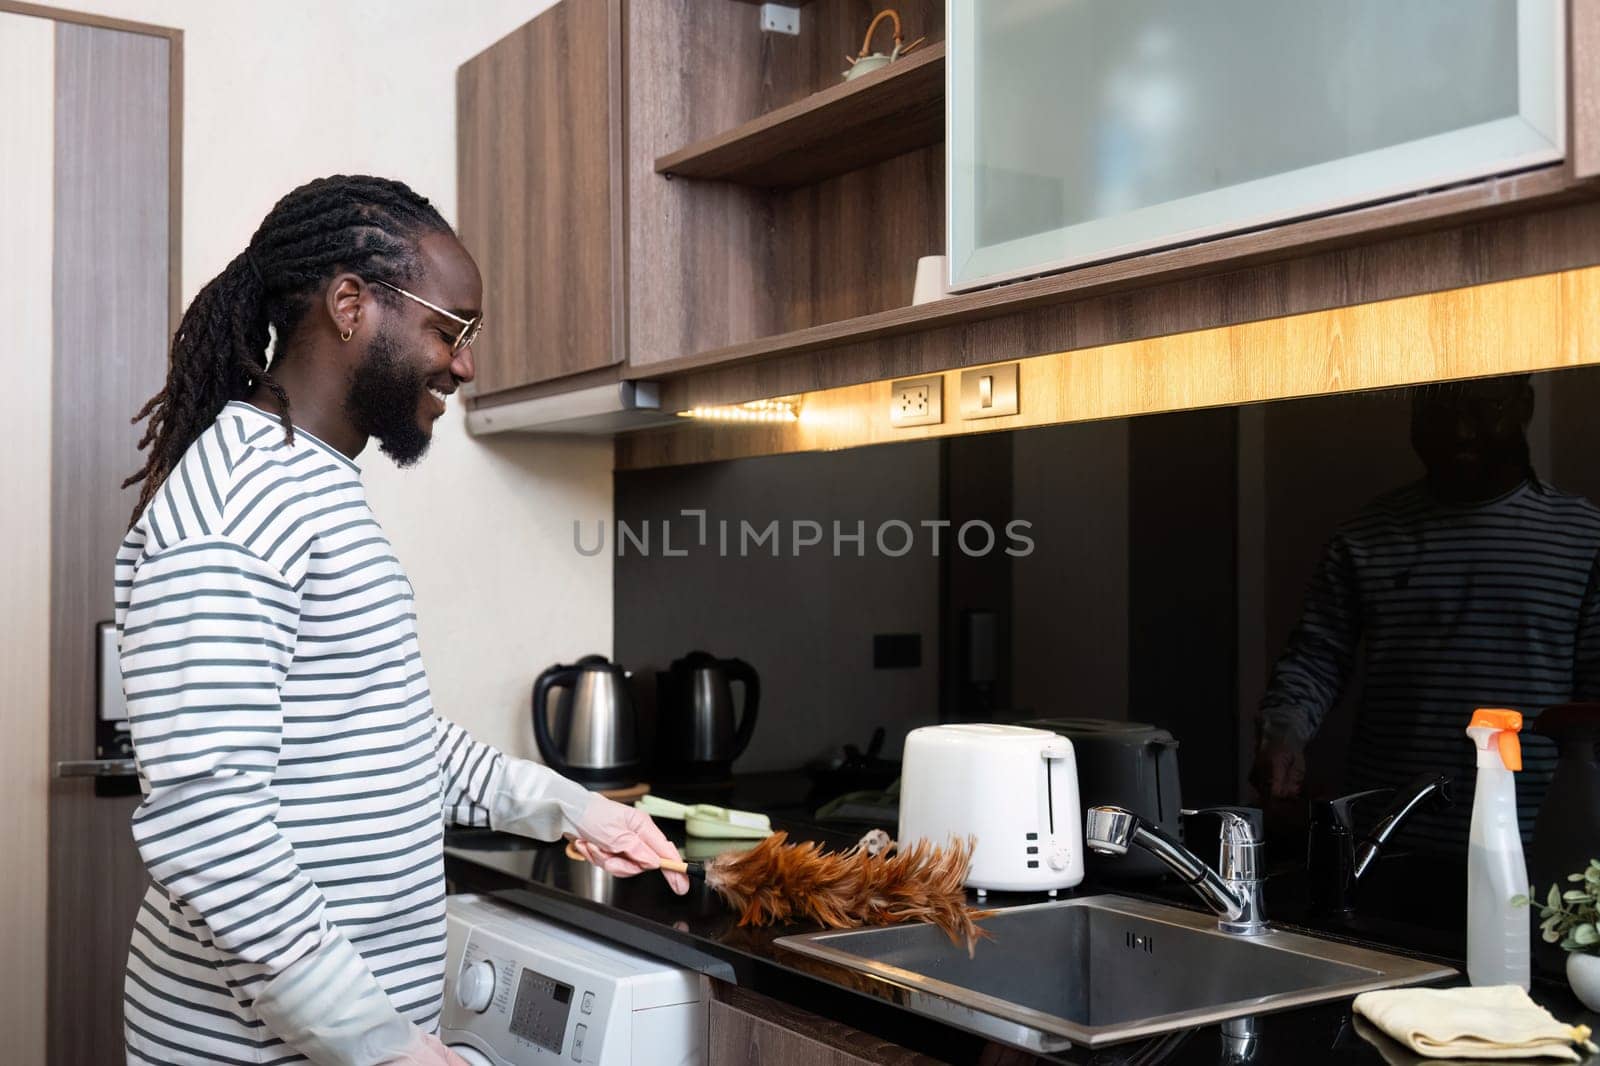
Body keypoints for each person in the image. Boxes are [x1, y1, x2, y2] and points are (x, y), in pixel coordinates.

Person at [115, 175, 687, 1066]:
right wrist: (387, 1047)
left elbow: (386, 733)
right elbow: (208, 822)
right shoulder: (236, 505)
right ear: (351, 304)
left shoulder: (306, 484)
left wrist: (572, 808)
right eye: (450, 329)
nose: (465, 364)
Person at [1253, 374, 1600, 853]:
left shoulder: (1585, 538)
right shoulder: (1365, 537)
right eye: (1437, 412)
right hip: (1387, 843)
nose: (1460, 431)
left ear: (1523, 404)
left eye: (1483, 407)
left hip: (1535, 845)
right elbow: (1316, 659)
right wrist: (1284, 737)